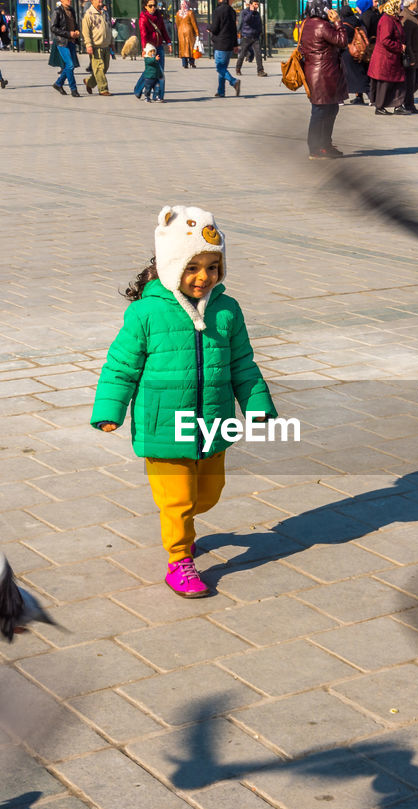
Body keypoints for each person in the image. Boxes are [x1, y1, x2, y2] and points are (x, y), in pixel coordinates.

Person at [92, 206, 276, 600]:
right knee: (178, 500)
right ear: (172, 265)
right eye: (193, 267)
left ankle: (184, 527)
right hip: (163, 427)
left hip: (214, 422)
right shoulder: (145, 314)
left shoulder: (227, 311)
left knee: (207, 495)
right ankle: (180, 560)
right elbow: (120, 366)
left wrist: (257, 404)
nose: (204, 277)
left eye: (213, 266)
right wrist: (110, 410)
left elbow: (243, 362)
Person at [300, 0, 348, 157]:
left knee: (329, 108)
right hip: (324, 74)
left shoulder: (306, 24)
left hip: (315, 72)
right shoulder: (322, 25)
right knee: (321, 110)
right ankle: (316, 147)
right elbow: (342, 42)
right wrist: (338, 22)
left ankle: (324, 144)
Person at [368, 0, 405, 111]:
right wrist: (400, 47)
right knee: (385, 84)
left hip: (391, 57)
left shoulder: (392, 18)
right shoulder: (387, 20)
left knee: (396, 83)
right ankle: (380, 106)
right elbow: (385, 40)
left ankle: (397, 105)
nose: (401, 8)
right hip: (386, 58)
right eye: (399, 6)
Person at [134, 0, 170, 97]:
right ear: (145, 6)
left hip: (159, 46)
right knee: (151, 70)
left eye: (155, 5)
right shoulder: (143, 18)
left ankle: (157, 95)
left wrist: (168, 42)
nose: (153, 8)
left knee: (160, 70)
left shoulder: (158, 16)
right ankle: (138, 90)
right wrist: (144, 49)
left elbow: (163, 30)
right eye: (150, 6)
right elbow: (143, 35)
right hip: (150, 47)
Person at [338, 2, 370, 104]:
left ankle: (340, 99)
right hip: (359, 52)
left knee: (342, 77)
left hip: (347, 53)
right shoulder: (358, 21)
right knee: (360, 76)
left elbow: (342, 41)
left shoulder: (343, 24)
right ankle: (370, 98)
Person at [48, 0, 80, 95]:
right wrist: (68, 34)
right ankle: (73, 89)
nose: (69, 0)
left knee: (71, 66)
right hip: (62, 42)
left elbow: (75, 24)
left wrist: (77, 31)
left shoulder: (72, 10)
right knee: (69, 65)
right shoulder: (57, 11)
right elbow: (53, 28)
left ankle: (58, 83)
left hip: (72, 41)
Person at [210, 0, 240, 95]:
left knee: (220, 68)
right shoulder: (232, 11)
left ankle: (234, 81)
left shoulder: (217, 11)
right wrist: (235, 44)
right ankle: (221, 91)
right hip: (229, 43)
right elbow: (234, 29)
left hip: (220, 43)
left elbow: (214, 29)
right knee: (223, 68)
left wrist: (208, 27)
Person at [82, 0, 113, 94]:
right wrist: (88, 45)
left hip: (106, 45)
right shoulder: (89, 14)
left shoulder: (105, 13)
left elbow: (109, 28)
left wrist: (112, 42)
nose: (100, 0)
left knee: (105, 68)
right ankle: (103, 89)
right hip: (95, 46)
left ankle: (89, 82)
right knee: (99, 68)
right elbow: (85, 32)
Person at [401, 0, 418, 110]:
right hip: (413, 54)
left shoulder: (415, 15)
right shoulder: (406, 16)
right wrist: (411, 56)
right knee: (411, 81)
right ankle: (408, 104)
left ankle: (406, 100)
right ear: (412, 3)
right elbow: (407, 40)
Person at [237, 0, 266, 75]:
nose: (257, 6)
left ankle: (260, 71)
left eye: (257, 4)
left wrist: (260, 32)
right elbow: (247, 20)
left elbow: (259, 24)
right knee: (243, 53)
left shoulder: (257, 13)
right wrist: (251, 12)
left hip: (255, 37)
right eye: (255, 4)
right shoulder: (245, 12)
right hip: (246, 36)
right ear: (251, 5)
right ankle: (238, 69)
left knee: (258, 54)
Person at [176, 0, 199, 67]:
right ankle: (191, 61)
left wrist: (179, 30)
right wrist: (197, 33)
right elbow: (194, 24)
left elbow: (177, 24)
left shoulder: (178, 13)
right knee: (191, 47)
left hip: (181, 32)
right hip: (189, 32)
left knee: (183, 48)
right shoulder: (190, 13)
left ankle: (184, 63)